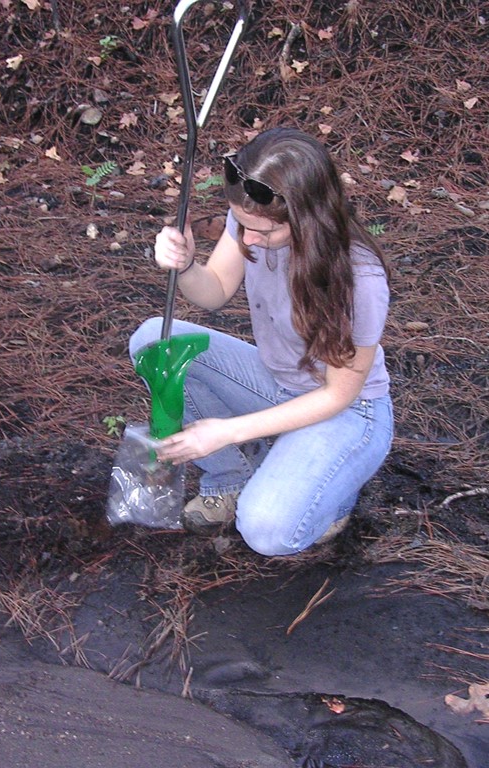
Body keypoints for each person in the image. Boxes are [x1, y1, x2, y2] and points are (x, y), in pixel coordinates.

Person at [129, 127, 393, 556]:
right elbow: (213, 290)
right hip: (276, 383)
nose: (248, 239)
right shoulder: (253, 217)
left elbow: (338, 396)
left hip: (348, 412)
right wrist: (186, 265)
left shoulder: (359, 279)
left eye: (264, 233)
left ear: (308, 216)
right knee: (153, 342)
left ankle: (335, 491)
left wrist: (228, 430)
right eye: (242, 226)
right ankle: (229, 479)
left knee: (266, 530)